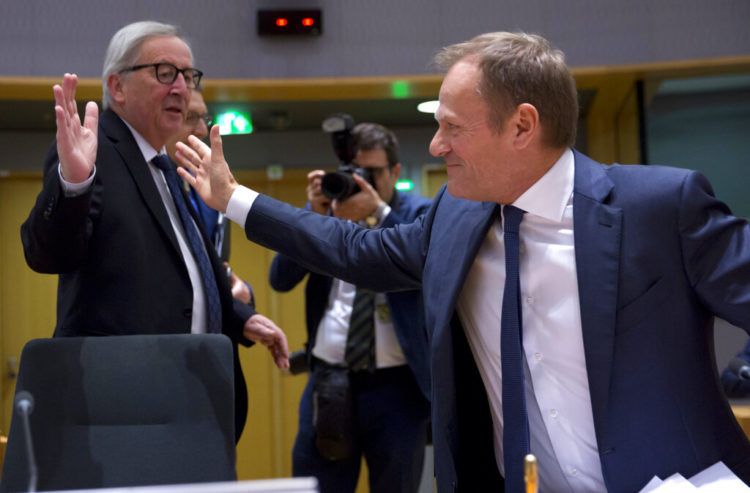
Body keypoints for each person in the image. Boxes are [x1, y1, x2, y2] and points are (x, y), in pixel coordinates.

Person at [183, 31, 750, 492]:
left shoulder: (658, 207)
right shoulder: (454, 217)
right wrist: (234, 198)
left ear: (522, 126)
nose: (436, 145)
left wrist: (738, 378)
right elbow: (356, 250)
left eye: (452, 127)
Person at [20, 20, 289, 443]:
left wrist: (240, 318)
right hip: (122, 409)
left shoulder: (165, 166)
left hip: (190, 401)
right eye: (165, 72)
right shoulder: (93, 150)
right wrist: (73, 183)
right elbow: (47, 254)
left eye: (189, 75)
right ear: (118, 85)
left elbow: (186, 269)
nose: (181, 87)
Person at [269, 123, 432, 493]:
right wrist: (313, 214)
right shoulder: (330, 215)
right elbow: (280, 278)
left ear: (394, 172)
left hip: (398, 389)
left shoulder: (417, 214)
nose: (361, 182)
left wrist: (378, 212)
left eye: (371, 173)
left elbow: (426, 264)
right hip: (329, 382)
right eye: (354, 173)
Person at [166, 89, 254, 306]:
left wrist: (243, 296)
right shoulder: (147, 185)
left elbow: (216, 263)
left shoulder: (206, 186)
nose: (203, 130)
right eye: (190, 118)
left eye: (204, 118)